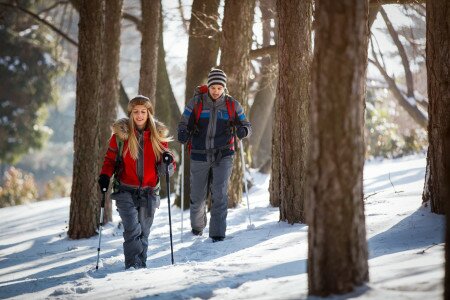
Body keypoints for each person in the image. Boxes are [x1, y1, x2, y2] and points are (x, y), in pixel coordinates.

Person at [98, 95, 175, 269]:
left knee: (144, 234)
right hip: (125, 190)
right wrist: (104, 176)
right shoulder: (120, 136)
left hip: (149, 192)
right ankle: (133, 266)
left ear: (149, 114)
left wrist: (167, 161)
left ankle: (140, 268)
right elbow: (109, 160)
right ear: (130, 114)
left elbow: (167, 168)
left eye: (143, 112)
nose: (139, 116)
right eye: (135, 112)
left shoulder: (158, 136)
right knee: (133, 230)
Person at [177, 68, 252, 242]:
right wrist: (183, 132)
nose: (216, 91)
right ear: (208, 86)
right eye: (213, 87)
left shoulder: (232, 105)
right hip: (198, 153)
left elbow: (247, 125)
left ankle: (217, 233)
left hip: (223, 154)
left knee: (219, 194)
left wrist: (243, 130)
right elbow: (183, 122)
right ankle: (197, 227)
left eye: (219, 88)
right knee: (197, 197)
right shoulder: (196, 103)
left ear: (224, 88)